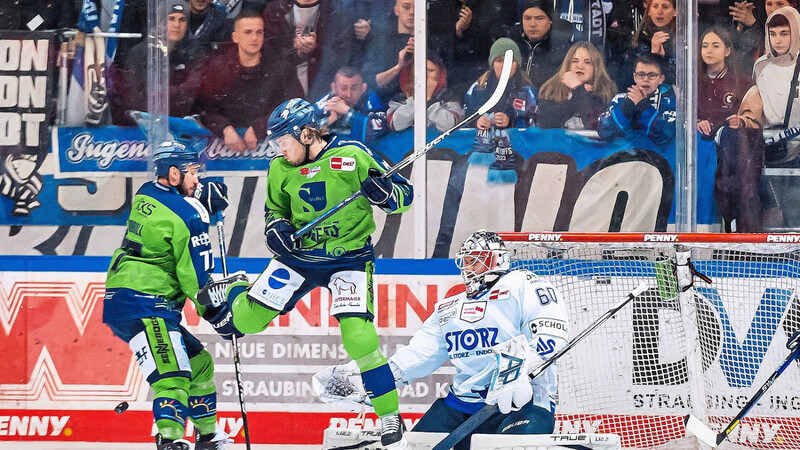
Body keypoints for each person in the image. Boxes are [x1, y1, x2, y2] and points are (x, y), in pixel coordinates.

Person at [203, 98, 413, 448]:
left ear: (305, 133)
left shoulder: (354, 155)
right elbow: (275, 210)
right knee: (248, 322)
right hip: (299, 258)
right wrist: (277, 229)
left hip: (348, 259)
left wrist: (386, 193)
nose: (280, 150)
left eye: (283, 142)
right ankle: (238, 288)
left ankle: (390, 416)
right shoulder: (279, 168)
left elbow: (403, 196)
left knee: (358, 337)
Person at [315, 230, 569, 450]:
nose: (469, 268)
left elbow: (551, 332)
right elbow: (419, 355)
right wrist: (375, 381)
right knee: (417, 445)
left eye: (477, 261)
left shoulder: (522, 284)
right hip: (461, 404)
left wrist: (522, 370)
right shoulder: (448, 308)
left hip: (522, 402)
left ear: (497, 260)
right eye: (466, 261)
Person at [102, 142, 238, 450]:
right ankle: (170, 441)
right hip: (146, 301)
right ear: (174, 174)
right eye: (192, 173)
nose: (197, 180)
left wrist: (197, 196)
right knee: (173, 373)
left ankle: (207, 437)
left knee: (199, 363)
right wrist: (219, 314)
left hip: (126, 299)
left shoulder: (147, 192)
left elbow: (172, 205)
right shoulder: (190, 216)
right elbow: (196, 277)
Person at [197, 9, 290, 152]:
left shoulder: (279, 67)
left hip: (271, 149)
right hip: (222, 152)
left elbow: (290, 105)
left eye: (259, 32)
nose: (254, 38)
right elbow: (205, 109)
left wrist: (260, 127)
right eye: (248, 32)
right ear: (235, 37)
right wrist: (225, 128)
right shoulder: (218, 69)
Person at [112, 0, 205, 125]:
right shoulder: (139, 53)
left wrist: (157, 93)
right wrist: (175, 93)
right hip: (144, 128)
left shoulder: (196, 52)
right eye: (171, 18)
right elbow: (133, 97)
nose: (177, 25)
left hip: (182, 125)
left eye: (182, 19)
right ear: (160, 21)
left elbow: (192, 95)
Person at [597, 54, 676, 146]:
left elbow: (667, 135)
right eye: (641, 74)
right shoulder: (620, 99)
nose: (646, 79)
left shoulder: (670, 102)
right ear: (634, 77)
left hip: (657, 158)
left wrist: (643, 106)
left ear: (661, 79)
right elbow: (605, 131)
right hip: (624, 156)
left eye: (652, 75)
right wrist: (627, 106)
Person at [537, 41, 618, 130]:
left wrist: (579, 89)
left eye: (587, 62)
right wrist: (577, 93)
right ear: (568, 64)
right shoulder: (551, 89)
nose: (580, 66)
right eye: (575, 61)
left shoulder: (606, 92)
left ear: (596, 67)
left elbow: (595, 124)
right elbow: (546, 124)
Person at [464, 38, 538, 129]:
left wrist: (511, 122)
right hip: (482, 142)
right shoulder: (477, 89)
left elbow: (533, 126)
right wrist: (476, 122)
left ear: (517, 64)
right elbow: (464, 122)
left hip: (516, 142)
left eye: (509, 61)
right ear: (492, 63)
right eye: (499, 60)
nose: (504, 65)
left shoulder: (527, 92)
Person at [697, 26, 753, 140]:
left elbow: (753, 116)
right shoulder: (691, 80)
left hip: (730, 146)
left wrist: (741, 121)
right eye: (704, 46)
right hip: (697, 145)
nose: (709, 51)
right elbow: (678, 113)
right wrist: (695, 123)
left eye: (716, 46)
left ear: (727, 51)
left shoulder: (743, 82)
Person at [387, 53, 466, 132]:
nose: (425, 75)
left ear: (440, 74)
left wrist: (429, 101)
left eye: (431, 70)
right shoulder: (400, 99)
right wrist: (415, 100)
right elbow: (396, 124)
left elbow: (449, 125)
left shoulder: (450, 98)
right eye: (419, 70)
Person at [507, 0, 574, 89]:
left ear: (551, 20)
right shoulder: (510, 45)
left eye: (539, 18)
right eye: (527, 18)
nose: (532, 24)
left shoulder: (566, 51)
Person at [312, 66, 389, 142]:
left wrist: (348, 112)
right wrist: (330, 120)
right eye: (343, 88)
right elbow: (305, 132)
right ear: (334, 88)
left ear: (363, 88)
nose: (348, 95)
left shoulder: (372, 100)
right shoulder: (323, 103)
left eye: (354, 88)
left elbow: (378, 130)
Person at [362, 0, 415, 102]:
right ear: (396, 10)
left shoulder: (428, 43)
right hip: (385, 106)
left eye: (417, 8)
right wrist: (399, 67)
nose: (412, 12)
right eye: (406, 7)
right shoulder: (380, 43)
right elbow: (370, 82)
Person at [619, 0, 676, 87]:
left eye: (665, 7)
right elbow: (628, 80)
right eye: (655, 6)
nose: (659, 12)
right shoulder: (640, 41)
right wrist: (653, 56)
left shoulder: (684, 38)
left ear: (675, 11)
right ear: (649, 11)